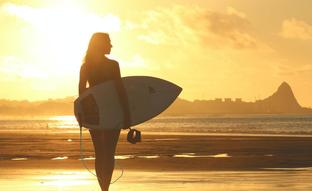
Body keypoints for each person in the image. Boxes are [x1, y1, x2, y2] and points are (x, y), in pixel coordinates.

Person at [79, 32, 131, 191]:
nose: (111, 45)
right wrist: (127, 114)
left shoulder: (86, 66)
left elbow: (82, 93)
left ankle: (104, 189)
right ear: (100, 45)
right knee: (109, 152)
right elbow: (120, 91)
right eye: (108, 42)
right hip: (112, 111)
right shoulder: (112, 65)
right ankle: (105, 189)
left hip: (94, 113)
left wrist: (83, 114)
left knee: (100, 153)